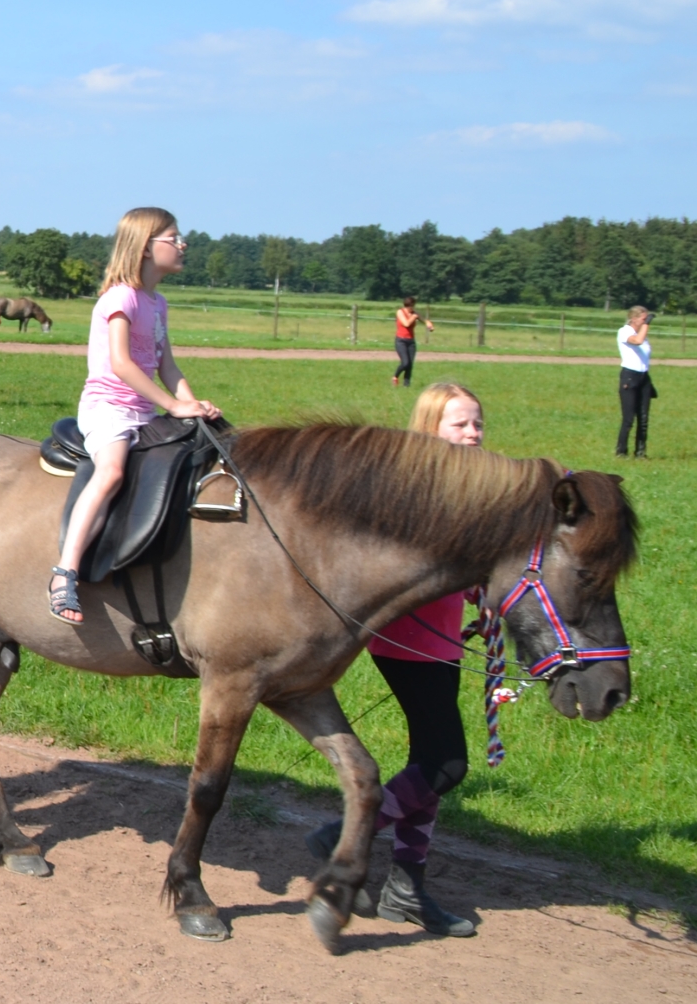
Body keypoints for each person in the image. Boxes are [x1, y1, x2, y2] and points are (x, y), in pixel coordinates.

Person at [305, 380, 486, 938]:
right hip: (412, 641)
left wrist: (480, 598)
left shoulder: (463, 488)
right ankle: (345, 836)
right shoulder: (418, 491)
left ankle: (406, 890)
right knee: (447, 764)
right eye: (460, 424)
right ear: (431, 428)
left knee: (427, 767)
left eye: (478, 423)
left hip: (442, 640)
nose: (473, 433)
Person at [50, 208, 220, 623]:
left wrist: (194, 405)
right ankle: (64, 572)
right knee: (111, 473)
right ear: (145, 247)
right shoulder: (120, 297)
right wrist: (173, 406)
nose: (182, 244)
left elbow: (168, 367)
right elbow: (122, 364)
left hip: (143, 410)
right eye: (173, 238)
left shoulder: (157, 303)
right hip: (108, 407)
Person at [617, 305, 654, 458]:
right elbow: (637, 341)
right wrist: (647, 324)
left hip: (644, 377)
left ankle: (640, 452)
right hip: (629, 377)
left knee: (643, 418)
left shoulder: (643, 335)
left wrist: (644, 327)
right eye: (643, 319)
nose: (645, 322)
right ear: (633, 318)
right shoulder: (624, 331)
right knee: (629, 418)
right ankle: (621, 452)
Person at [392, 297, 434, 387]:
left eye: (413, 306)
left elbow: (424, 320)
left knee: (410, 365)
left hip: (411, 342)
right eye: (412, 306)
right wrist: (414, 317)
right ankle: (395, 376)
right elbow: (406, 324)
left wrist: (429, 324)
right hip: (401, 341)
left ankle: (406, 385)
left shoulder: (414, 313)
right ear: (408, 305)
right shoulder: (400, 312)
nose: (413, 308)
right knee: (405, 363)